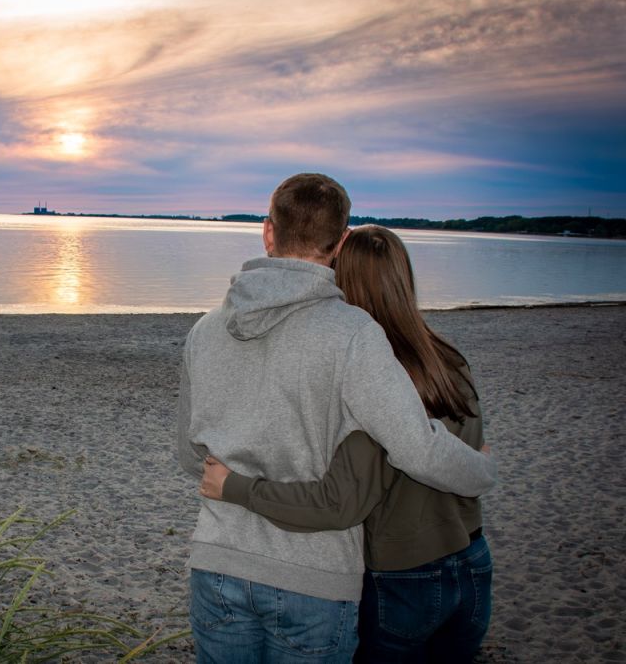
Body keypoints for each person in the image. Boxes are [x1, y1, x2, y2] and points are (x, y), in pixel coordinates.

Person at [177, 173, 496, 663]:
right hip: (313, 578)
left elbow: (188, 454)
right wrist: (481, 470)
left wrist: (238, 476)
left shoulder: (205, 330)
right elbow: (415, 448)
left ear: (268, 231)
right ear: (341, 240)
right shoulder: (353, 333)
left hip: (217, 564)